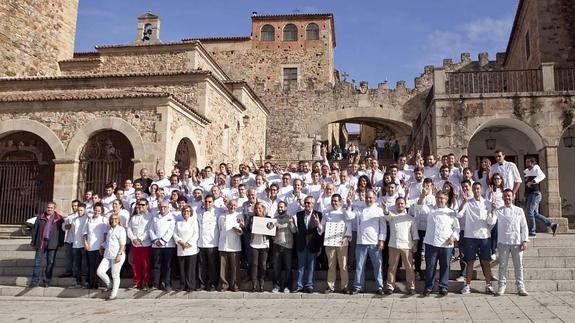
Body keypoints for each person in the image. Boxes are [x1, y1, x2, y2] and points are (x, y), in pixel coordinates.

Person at [458, 182, 497, 295]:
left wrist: (493, 210)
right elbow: (459, 215)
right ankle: (467, 286)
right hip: (470, 236)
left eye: (478, 189)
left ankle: (488, 286)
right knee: (470, 262)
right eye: (474, 189)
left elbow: (491, 221)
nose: (476, 191)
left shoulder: (488, 203)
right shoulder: (467, 202)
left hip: (485, 236)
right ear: (472, 189)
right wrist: (463, 203)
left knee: (486, 262)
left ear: (481, 190)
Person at [347, 191, 386, 295]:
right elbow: (349, 216)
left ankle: (379, 287)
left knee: (378, 265)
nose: (369, 199)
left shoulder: (379, 210)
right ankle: (358, 286)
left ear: (375, 198)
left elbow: (383, 227)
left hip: (375, 242)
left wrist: (381, 240)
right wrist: (349, 205)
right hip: (361, 242)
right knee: (360, 266)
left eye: (371, 198)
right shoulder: (360, 210)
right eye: (367, 198)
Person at [421, 191, 460, 296]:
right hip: (431, 243)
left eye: (442, 198)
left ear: (446, 199)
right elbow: (421, 206)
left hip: (446, 244)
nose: (440, 200)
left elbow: (457, 228)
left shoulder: (451, 212)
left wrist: (453, 237)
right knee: (430, 266)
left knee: (445, 266)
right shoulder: (430, 210)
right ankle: (428, 287)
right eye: (438, 197)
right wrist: (423, 195)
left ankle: (443, 287)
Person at [493, 189, 529, 296]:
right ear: (502, 198)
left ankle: (520, 287)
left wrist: (524, 240)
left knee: (518, 266)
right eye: (505, 196)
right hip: (503, 242)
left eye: (509, 196)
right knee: (503, 265)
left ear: (512, 197)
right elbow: (491, 222)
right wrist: (492, 210)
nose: (507, 198)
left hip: (516, 241)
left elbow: (524, 226)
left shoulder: (519, 210)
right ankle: (501, 286)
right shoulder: (499, 211)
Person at [382, 197, 418, 295]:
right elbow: (386, 214)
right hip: (393, 245)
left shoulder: (411, 219)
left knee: (409, 268)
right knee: (392, 267)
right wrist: (385, 207)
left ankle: (411, 287)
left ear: (405, 204)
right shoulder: (392, 217)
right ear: (395, 204)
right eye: (398, 203)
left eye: (402, 203)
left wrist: (415, 245)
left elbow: (414, 234)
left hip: (407, 246)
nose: (400, 205)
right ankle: (390, 286)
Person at [317, 194, 352, 294]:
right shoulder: (327, 213)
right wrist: (318, 224)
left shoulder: (344, 212)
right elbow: (321, 228)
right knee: (331, 265)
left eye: (336, 201)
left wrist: (345, 237)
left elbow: (348, 225)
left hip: (342, 243)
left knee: (343, 266)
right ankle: (330, 287)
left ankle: (345, 287)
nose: (334, 203)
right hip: (330, 242)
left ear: (340, 202)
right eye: (332, 201)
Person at [30, 202, 65, 288]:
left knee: (50, 262)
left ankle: (47, 281)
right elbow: (35, 230)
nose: (49, 209)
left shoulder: (59, 219)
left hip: (53, 243)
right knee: (37, 262)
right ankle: (35, 281)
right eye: (48, 207)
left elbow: (61, 232)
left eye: (51, 208)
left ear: (54, 208)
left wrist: (60, 243)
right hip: (41, 242)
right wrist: (33, 242)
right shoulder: (40, 217)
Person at [293, 196, 323, 293]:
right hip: (301, 243)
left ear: (313, 204)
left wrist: (318, 224)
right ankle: (299, 285)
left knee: (311, 266)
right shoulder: (299, 214)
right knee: (301, 266)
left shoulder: (319, 215)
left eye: (309, 203)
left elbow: (321, 231)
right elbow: (297, 230)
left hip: (313, 243)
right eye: (305, 203)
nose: (307, 205)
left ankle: (309, 285)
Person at [523, 157, 558, 237]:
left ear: (532, 163)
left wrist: (533, 182)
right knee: (535, 213)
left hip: (535, 194)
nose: (526, 163)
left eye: (528, 162)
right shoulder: (527, 171)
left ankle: (532, 232)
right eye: (526, 162)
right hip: (531, 195)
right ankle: (552, 225)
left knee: (529, 212)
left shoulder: (536, 168)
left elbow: (542, 176)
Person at [96, 214, 126, 300]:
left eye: (116, 219)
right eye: (112, 219)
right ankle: (110, 285)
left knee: (115, 275)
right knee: (100, 271)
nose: (114, 220)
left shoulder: (121, 229)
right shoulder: (110, 230)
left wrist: (119, 254)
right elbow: (108, 242)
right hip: (108, 255)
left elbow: (122, 244)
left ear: (119, 220)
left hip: (117, 255)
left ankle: (114, 293)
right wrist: (102, 246)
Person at [149, 201, 176, 291]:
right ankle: (156, 284)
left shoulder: (172, 217)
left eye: (164, 206)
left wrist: (162, 241)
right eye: (161, 206)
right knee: (157, 265)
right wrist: (156, 240)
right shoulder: (155, 217)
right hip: (156, 245)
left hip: (168, 245)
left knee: (168, 266)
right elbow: (150, 229)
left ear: (168, 207)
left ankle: (168, 284)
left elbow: (171, 231)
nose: (162, 208)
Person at [127, 198, 153, 290]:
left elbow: (149, 229)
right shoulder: (134, 217)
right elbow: (129, 229)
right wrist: (133, 239)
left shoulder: (150, 216)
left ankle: (146, 282)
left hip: (145, 244)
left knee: (146, 264)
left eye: (143, 205)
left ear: (147, 206)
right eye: (139, 205)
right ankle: (137, 282)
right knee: (136, 264)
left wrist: (140, 239)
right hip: (135, 244)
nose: (140, 206)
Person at [217, 200, 243, 292]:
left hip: (235, 244)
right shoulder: (222, 216)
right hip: (223, 244)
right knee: (223, 267)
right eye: (231, 205)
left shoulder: (239, 215)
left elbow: (242, 230)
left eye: (234, 205)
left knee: (235, 267)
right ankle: (224, 285)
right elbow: (220, 229)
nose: (232, 207)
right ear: (227, 206)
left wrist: (238, 230)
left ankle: (235, 285)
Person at [173, 205, 199, 292]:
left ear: (191, 212)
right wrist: (181, 242)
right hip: (181, 248)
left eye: (188, 211)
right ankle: (182, 285)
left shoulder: (194, 222)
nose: (186, 213)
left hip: (191, 248)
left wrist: (188, 244)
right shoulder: (178, 223)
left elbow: (196, 234)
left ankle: (191, 286)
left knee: (190, 269)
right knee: (182, 268)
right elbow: (175, 234)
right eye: (184, 211)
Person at [272, 201, 296, 293]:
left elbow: (294, 231)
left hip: (288, 246)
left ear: (286, 208)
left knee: (288, 267)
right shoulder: (274, 219)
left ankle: (287, 286)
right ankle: (276, 286)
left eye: (282, 207)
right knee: (276, 267)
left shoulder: (290, 218)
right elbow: (271, 232)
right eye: (279, 207)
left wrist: (291, 223)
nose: (280, 209)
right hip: (277, 245)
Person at [197, 195, 220, 291]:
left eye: (210, 202)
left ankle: (212, 284)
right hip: (201, 242)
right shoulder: (199, 212)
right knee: (201, 265)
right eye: (206, 201)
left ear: (213, 203)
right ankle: (202, 283)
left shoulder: (217, 212)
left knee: (212, 265)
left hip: (212, 243)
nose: (207, 203)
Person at [248, 202, 270, 292]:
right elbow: (248, 230)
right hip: (254, 244)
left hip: (264, 244)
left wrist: (272, 227)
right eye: (256, 208)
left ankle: (261, 285)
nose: (258, 210)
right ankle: (254, 285)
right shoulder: (252, 218)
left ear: (263, 209)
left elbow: (271, 230)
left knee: (263, 264)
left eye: (260, 208)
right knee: (254, 264)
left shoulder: (268, 219)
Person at [68, 203, 89, 288]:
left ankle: (86, 282)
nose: (79, 212)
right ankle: (78, 281)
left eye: (81, 210)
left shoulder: (87, 219)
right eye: (78, 210)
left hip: (83, 245)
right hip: (75, 245)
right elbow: (73, 232)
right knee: (77, 265)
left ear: (84, 210)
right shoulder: (74, 219)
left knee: (85, 264)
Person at [59, 200, 80, 278]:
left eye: (76, 206)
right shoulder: (69, 216)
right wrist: (66, 226)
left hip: (77, 241)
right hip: (69, 240)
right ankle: (68, 272)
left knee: (76, 258)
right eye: (73, 206)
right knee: (68, 257)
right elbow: (63, 226)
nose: (74, 207)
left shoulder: (81, 216)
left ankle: (76, 273)